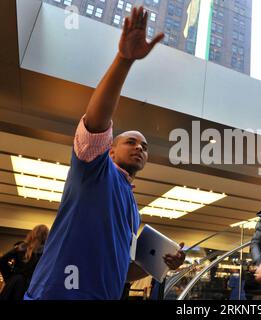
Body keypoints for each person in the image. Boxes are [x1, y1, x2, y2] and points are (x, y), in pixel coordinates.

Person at [25, 7, 185, 300]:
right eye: (132, 142)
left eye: (145, 147)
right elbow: (96, 121)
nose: (140, 148)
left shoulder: (131, 206)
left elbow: (122, 270)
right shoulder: (94, 168)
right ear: (109, 151)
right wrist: (124, 60)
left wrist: (160, 264)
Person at [0, 225, 49, 300]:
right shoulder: (46, 253)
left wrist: (9, 277)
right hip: (32, 287)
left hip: (15, 283)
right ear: (46, 237)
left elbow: (2, 260)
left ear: (33, 234)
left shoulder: (21, 248)